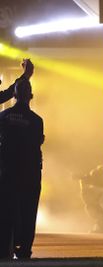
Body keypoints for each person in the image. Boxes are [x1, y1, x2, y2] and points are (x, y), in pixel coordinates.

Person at [0, 65, 44, 259]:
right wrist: (25, 76)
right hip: (30, 173)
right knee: (28, 211)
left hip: (6, 172)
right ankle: (24, 249)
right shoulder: (36, 120)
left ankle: (3, 249)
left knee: (6, 211)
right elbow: (37, 142)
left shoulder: (3, 117)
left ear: (15, 96)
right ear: (31, 96)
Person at [79, 165, 103, 233]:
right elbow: (86, 193)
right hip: (95, 206)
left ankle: (101, 228)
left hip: (101, 207)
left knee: (100, 214)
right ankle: (100, 227)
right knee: (99, 215)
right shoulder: (95, 186)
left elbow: (87, 197)